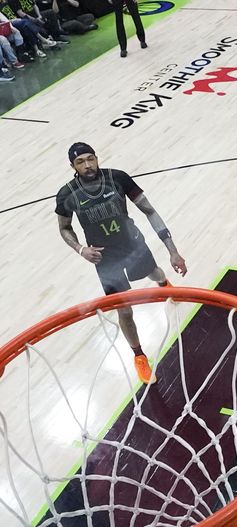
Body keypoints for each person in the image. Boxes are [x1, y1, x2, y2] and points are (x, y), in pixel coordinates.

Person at [55, 142, 187, 384]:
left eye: (90, 159)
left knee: (155, 273)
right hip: (106, 259)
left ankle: (163, 283)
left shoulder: (118, 178)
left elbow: (149, 210)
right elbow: (64, 228)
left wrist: (173, 250)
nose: (87, 165)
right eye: (80, 162)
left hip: (133, 245)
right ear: (72, 166)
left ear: (96, 158)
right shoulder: (67, 194)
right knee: (124, 310)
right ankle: (139, 356)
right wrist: (80, 249)